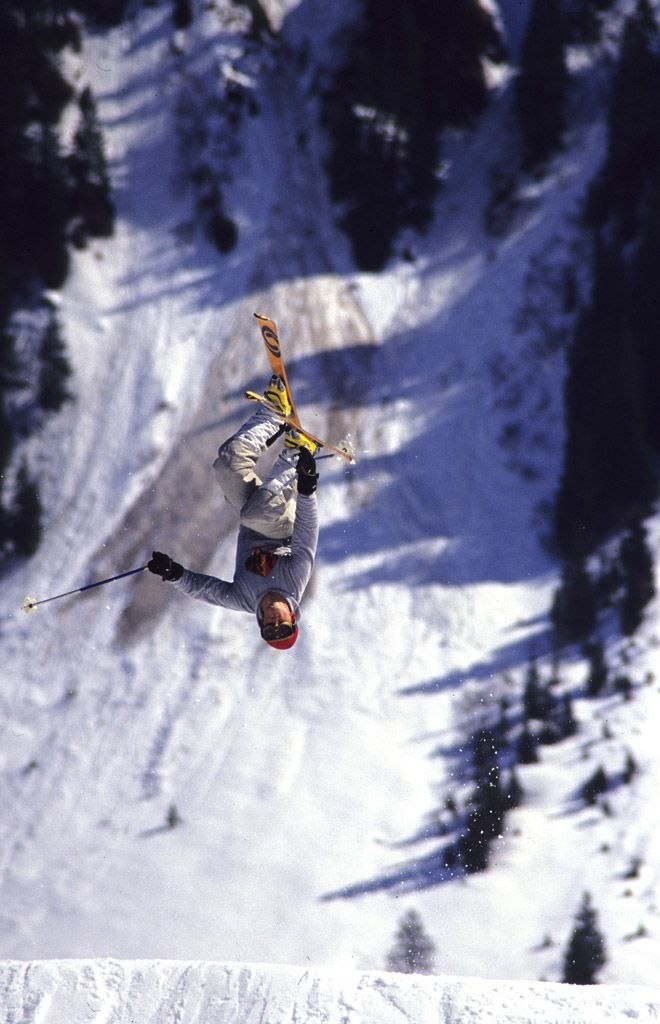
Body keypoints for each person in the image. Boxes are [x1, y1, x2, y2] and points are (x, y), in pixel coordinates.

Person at [148, 376, 319, 650]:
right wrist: (307, 488)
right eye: (283, 625)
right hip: (281, 521)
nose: (275, 620)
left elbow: (203, 590)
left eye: (270, 626)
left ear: (261, 622)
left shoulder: (243, 598)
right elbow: (307, 534)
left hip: (251, 515)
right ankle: (297, 453)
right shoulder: (294, 579)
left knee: (227, 466)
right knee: (257, 514)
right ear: (292, 617)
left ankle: (273, 412)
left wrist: (173, 573)